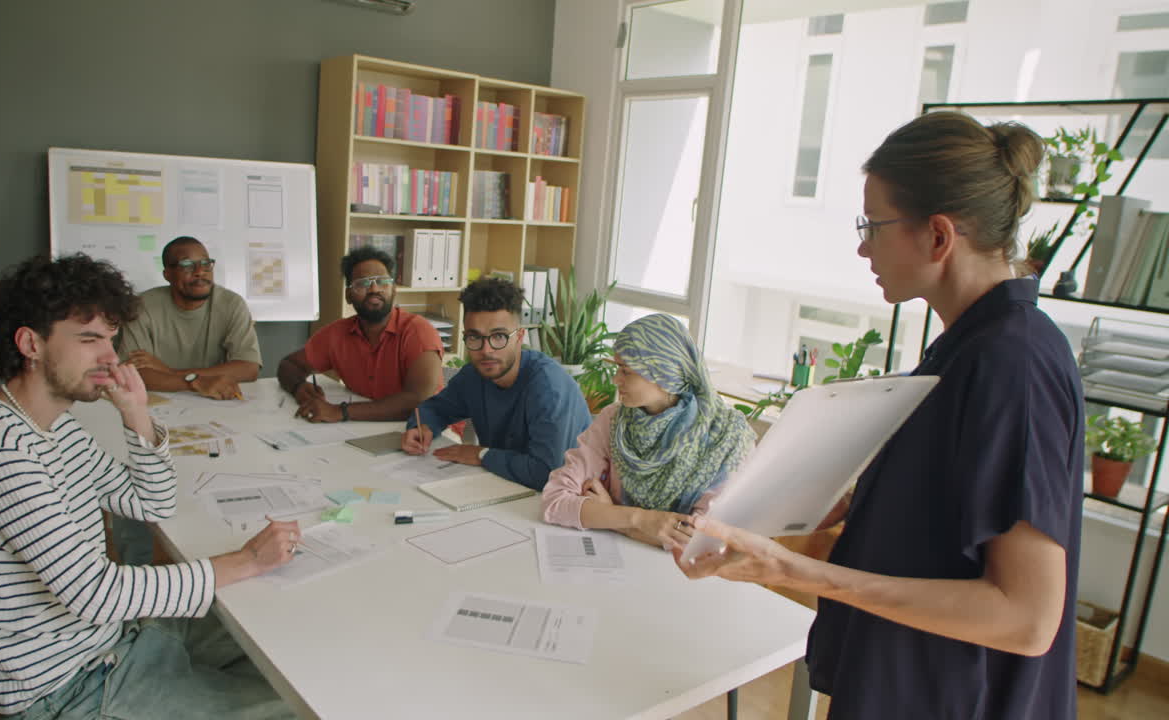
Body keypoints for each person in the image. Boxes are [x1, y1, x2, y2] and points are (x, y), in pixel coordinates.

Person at [678, 112, 1083, 719]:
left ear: (939, 236)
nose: (862, 246)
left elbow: (1026, 619)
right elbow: (933, 518)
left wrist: (799, 572)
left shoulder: (1013, 364)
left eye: (872, 224)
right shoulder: (964, 348)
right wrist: (759, 518)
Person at [0, 254, 299, 719]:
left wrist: (136, 413)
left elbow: (151, 503)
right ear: (31, 343)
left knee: (284, 641)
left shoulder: (54, 426)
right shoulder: (1, 454)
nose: (111, 358)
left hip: (110, 640)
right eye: (89, 339)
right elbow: (96, 593)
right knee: (296, 706)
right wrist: (247, 560)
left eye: (111, 339)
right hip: (68, 689)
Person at [541, 313, 756, 550]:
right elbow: (554, 501)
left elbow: (701, 542)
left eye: (625, 371)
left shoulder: (728, 436)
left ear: (663, 374)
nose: (615, 380)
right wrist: (641, 520)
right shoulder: (614, 420)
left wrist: (611, 516)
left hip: (685, 572)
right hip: (619, 558)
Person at [402, 276, 591, 490]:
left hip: (567, 496)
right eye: (475, 337)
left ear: (519, 337)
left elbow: (547, 472)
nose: (486, 350)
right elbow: (436, 409)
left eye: (499, 336)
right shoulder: (474, 375)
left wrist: (482, 454)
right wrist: (422, 427)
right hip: (506, 486)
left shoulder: (548, 387)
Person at [277, 246, 444, 422]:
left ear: (394, 289)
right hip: (368, 427)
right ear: (348, 295)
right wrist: (298, 387)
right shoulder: (337, 334)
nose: (374, 289)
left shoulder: (417, 331)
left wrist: (340, 412)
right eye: (363, 283)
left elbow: (418, 401)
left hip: (430, 427)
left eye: (382, 281)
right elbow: (289, 365)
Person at [118, 236, 261, 401]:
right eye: (186, 265)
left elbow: (248, 368)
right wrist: (195, 382)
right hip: (155, 403)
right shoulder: (141, 306)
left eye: (206, 263)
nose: (200, 271)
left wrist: (169, 372)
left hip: (215, 401)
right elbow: (133, 373)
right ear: (167, 274)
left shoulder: (231, 304)